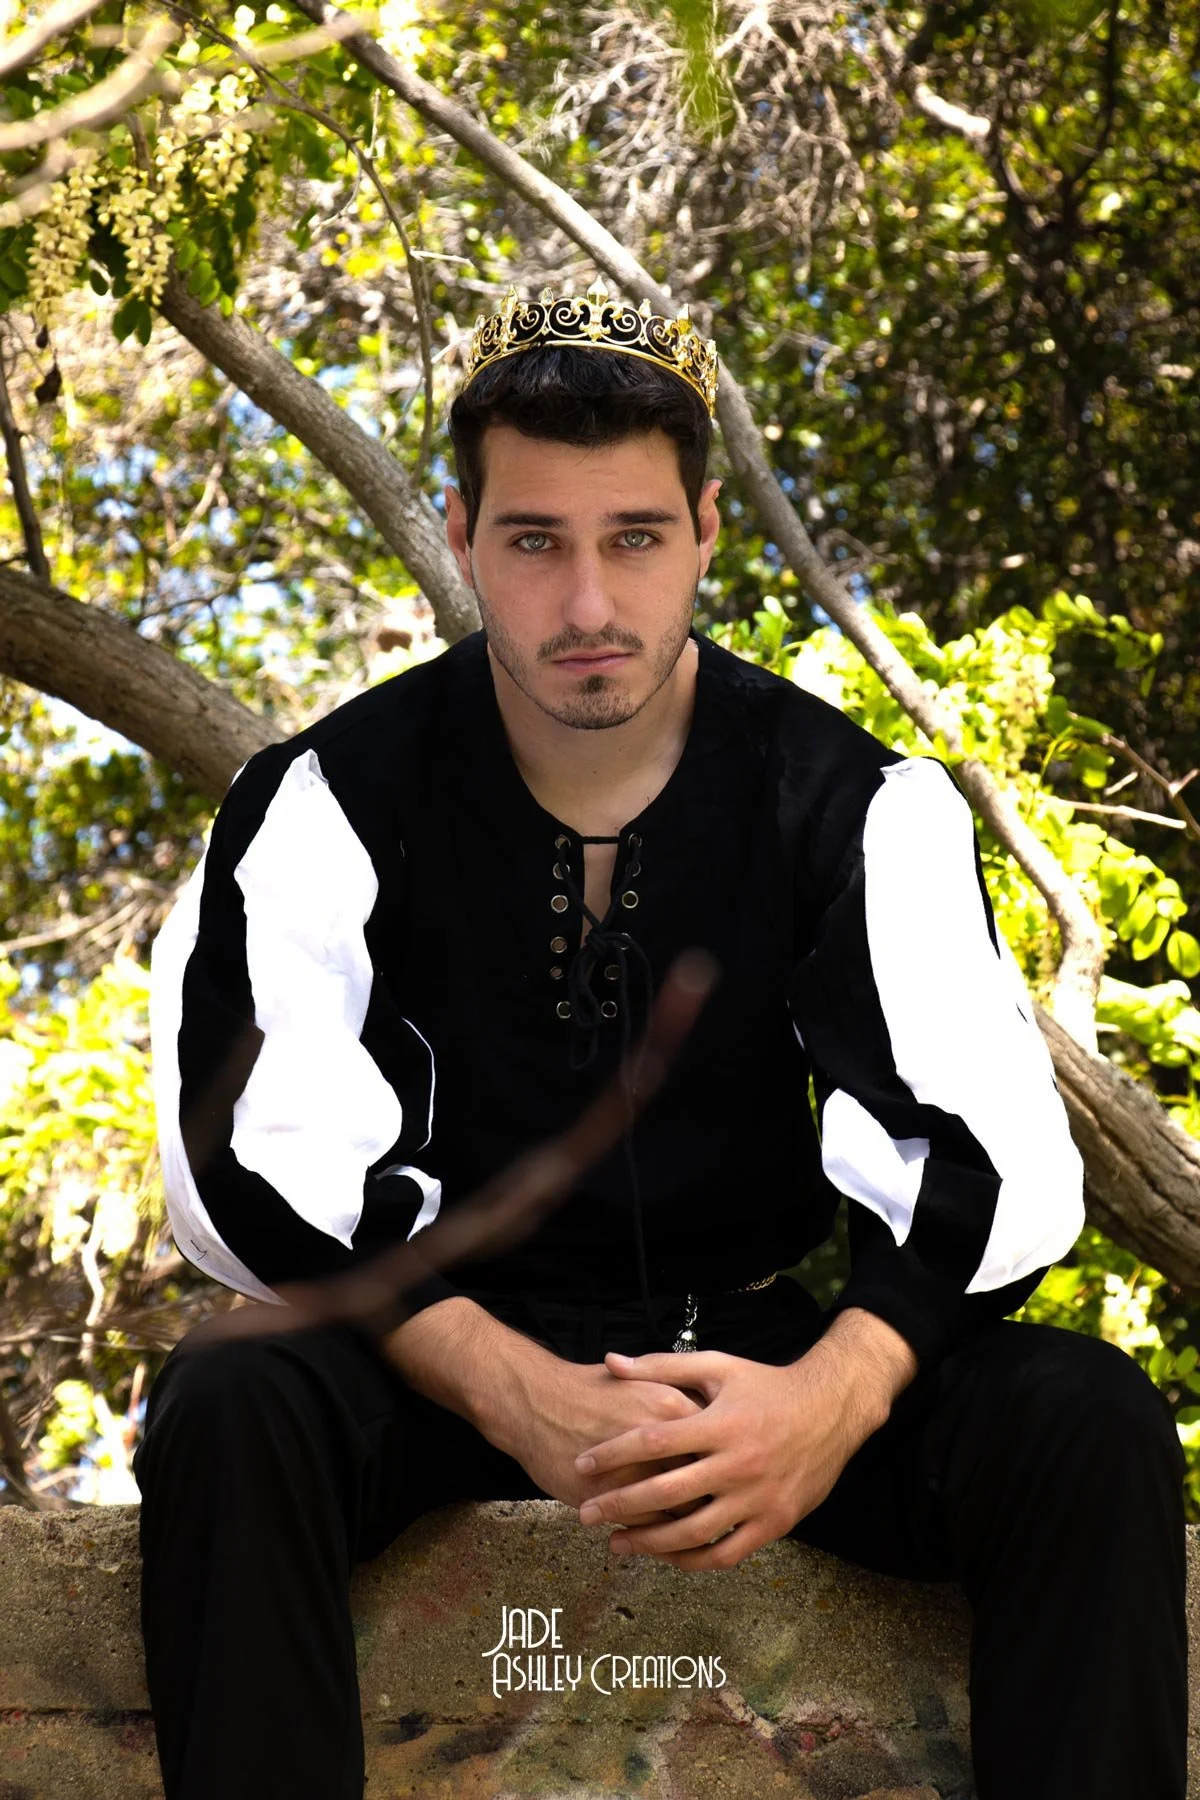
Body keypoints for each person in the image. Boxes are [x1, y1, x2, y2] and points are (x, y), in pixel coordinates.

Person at [134, 280, 1187, 1800]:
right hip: (429, 1363)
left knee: (1087, 1419)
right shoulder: (331, 797)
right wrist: (506, 1385)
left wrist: (829, 1398)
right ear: (460, 532)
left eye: (633, 537)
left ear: (705, 526)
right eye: (535, 541)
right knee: (233, 1396)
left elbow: (997, 1163)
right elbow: (245, 1164)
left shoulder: (852, 801)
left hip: (751, 1367)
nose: (587, 607)